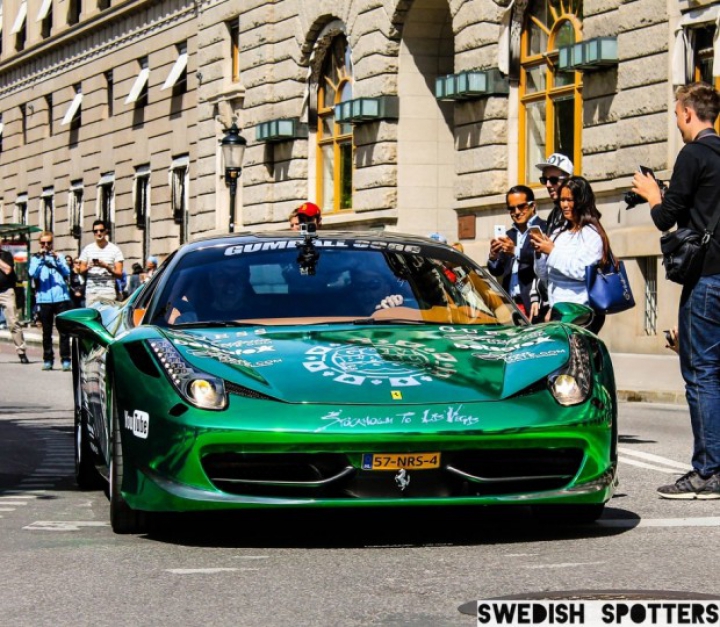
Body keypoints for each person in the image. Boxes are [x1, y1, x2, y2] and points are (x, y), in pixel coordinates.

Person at [631, 81, 720, 499]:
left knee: (701, 374)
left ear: (687, 113)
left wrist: (652, 194)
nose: (677, 122)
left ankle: (708, 471)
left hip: (706, 279)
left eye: (676, 114)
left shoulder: (693, 154)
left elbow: (666, 217)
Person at [530, 176, 611, 334]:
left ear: (581, 201)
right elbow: (544, 276)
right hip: (557, 312)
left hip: (580, 315)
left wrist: (552, 252)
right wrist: (540, 253)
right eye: (562, 200)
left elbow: (582, 271)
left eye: (570, 200)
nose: (565, 205)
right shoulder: (558, 233)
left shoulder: (591, 234)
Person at [487, 185, 547, 321]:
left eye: (522, 206)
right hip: (510, 303)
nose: (517, 212)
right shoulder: (509, 234)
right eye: (512, 208)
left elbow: (539, 259)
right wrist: (493, 257)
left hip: (534, 303)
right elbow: (497, 270)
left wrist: (514, 250)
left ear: (533, 206)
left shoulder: (544, 228)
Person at [28, 232, 72, 371]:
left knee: (63, 330)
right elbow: (32, 273)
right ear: (39, 244)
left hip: (61, 297)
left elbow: (67, 271)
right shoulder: (35, 258)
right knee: (46, 331)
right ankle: (48, 359)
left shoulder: (59, 256)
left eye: (48, 243)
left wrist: (57, 260)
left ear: (52, 243)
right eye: (43, 243)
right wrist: (41, 259)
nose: (46, 246)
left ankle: (66, 359)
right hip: (44, 298)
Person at [78, 219, 125, 306]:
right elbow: (81, 271)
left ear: (106, 231)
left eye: (101, 230)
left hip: (108, 293)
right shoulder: (87, 249)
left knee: (107, 319)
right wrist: (89, 266)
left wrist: (106, 267)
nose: (98, 233)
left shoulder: (115, 250)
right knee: (91, 319)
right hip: (91, 293)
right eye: (95, 231)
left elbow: (119, 274)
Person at [0, 246, 29, 364]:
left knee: (13, 322)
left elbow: (8, 270)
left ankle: (21, 351)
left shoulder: (5, 255)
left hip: (6, 291)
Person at [535, 152, 574, 235]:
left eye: (553, 180)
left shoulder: (577, 211)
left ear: (567, 180)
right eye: (544, 180)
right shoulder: (554, 213)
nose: (548, 185)